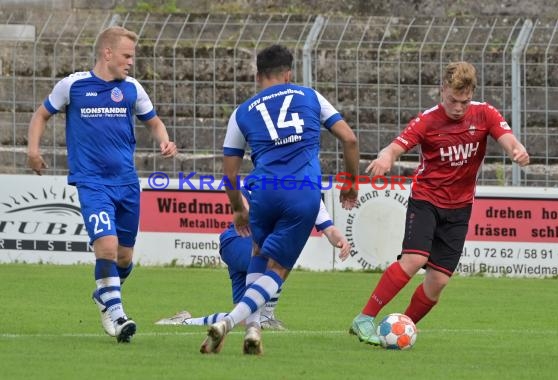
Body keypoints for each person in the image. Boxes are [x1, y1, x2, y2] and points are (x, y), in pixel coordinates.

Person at [349, 61, 530, 345]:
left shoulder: (485, 114)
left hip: (460, 208)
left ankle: (402, 328)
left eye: (465, 101)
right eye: (452, 100)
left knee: (439, 281)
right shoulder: (428, 120)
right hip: (427, 200)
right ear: (442, 90)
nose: (458, 107)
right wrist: (386, 157)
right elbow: (396, 146)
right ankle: (364, 318)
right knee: (415, 259)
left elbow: (507, 139)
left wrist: (517, 150)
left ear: (472, 94)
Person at [200, 44, 359, 355]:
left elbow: (230, 174)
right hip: (302, 193)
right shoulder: (310, 96)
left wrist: (237, 210)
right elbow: (350, 139)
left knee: (259, 255)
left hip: (263, 192)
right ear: (289, 74)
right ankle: (228, 322)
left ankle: (254, 331)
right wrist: (351, 183)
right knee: (279, 269)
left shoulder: (242, 112)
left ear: (258, 76)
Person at [27, 26, 177, 343]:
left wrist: (165, 141)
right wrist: (33, 151)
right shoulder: (73, 86)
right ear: (107, 53)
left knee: (123, 257)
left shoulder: (132, 88)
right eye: (126, 56)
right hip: (92, 181)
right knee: (106, 247)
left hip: (126, 183)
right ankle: (117, 315)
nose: (130, 62)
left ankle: (104, 295)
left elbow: (154, 122)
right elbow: (41, 115)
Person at [155, 190, 350, 329]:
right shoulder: (271, 178)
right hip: (238, 241)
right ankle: (267, 316)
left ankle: (185, 321)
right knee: (278, 255)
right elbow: (236, 188)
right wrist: (244, 208)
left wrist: (339, 239)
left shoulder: (311, 196)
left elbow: (329, 229)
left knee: (244, 318)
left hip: (255, 249)